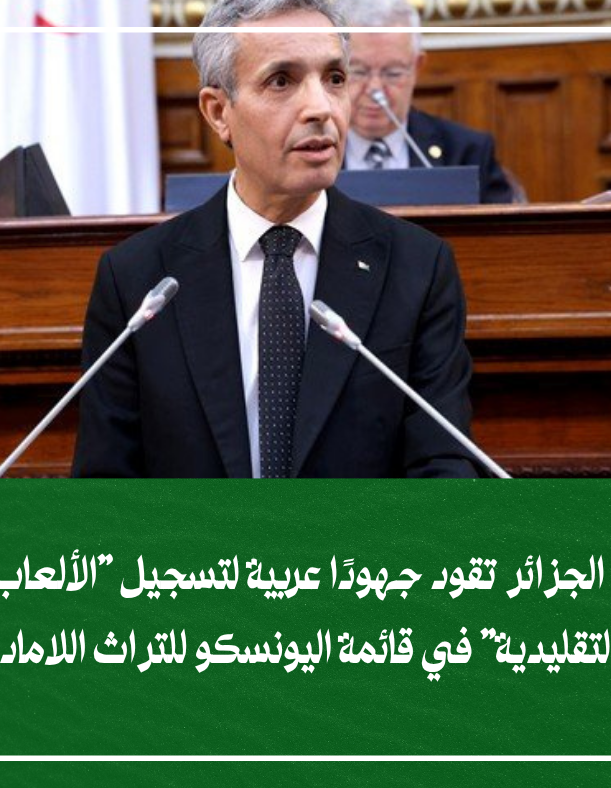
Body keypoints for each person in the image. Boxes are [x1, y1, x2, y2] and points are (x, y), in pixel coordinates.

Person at [71, 0, 478, 478]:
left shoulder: (418, 268)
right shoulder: (137, 280)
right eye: (281, 81)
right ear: (218, 112)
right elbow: (106, 489)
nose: (321, 108)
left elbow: (444, 467)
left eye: (335, 79)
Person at [336, 0, 518, 204]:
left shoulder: (467, 153)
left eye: (393, 73)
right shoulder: (313, 150)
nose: (375, 89)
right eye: (358, 71)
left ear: (417, 67)